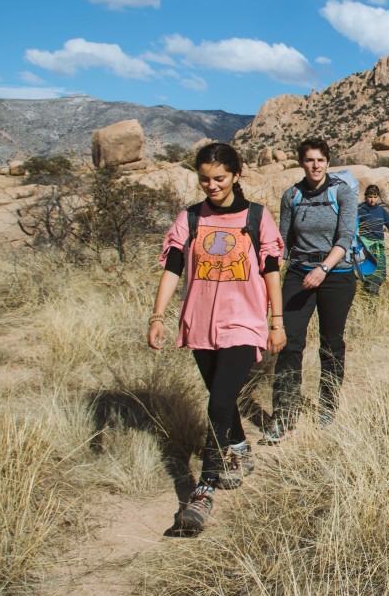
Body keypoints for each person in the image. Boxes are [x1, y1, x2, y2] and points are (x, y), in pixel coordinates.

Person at [147, 142, 285, 534]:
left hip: (243, 321)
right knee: (219, 399)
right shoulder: (190, 218)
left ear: (236, 175)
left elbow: (272, 270)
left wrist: (276, 321)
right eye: (204, 179)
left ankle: (203, 490)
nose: (211, 186)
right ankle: (239, 449)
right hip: (200, 322)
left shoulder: (257, 217)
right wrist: (159, 316)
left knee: (220, 400)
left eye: (219, 178)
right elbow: (173, 268)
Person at [264, 138, 358, 442]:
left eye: (320, 160)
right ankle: (284, 414)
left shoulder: (342, 192)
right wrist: (265, 271)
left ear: (328, 161)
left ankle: (328, 404)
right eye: (309, 160)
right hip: (299, 273)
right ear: (301, 163)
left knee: (331, 344)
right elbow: (283, 239)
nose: (315, 165)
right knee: (289, 343)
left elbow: (345, 238)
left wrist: (324, 269)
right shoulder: (291, 195)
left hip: (336, 274)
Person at [357, 183, 389, 295]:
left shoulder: (381, 211)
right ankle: (368, 302)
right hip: (365, 248)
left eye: (375, 197)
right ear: (366, 196)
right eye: (370, 197)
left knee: (380, 275)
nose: (372, 200)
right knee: (368, 275)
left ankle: (373, 300)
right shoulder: (360, 209)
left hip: (378, 248)